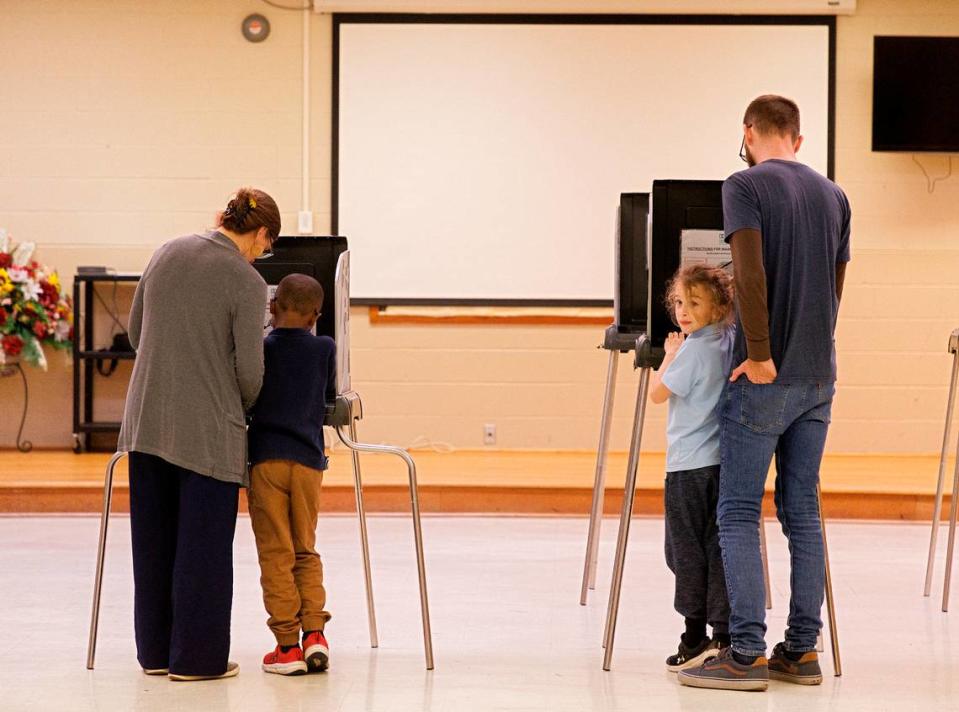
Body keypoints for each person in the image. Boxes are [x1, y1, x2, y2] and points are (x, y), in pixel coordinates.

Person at [679, 95, 850, 692]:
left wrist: (757, 354)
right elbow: (834, 286)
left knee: (736, 511)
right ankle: (801, 650)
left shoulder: (744, 185)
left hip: (766, 375)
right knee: (801, 511)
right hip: (819, 376)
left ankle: (746, 653)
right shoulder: (835, 195)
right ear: (798, 140)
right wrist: (812, 355)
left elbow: (748, 274)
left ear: (749, 133)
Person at [118, 187, 278, 681]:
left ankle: (156, 655)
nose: (261, 255)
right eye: (265, 247)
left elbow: (135, 332)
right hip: (208, 431)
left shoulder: (167, 251)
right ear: (260, 234)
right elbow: (250, 373)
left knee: (153, 543)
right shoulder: (247, 281)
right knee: (203, 550)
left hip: (146, 421)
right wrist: (241, 403)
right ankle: (198, 660)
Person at [247, 273, 336, 676]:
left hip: (267, 461)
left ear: (272, 307)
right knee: (305, 549)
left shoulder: (261, 349)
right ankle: (315, 635)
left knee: (275, 554)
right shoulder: (325, 349)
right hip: (308, 462)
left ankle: (286, 647)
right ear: (316, 315)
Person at [649, 264, 735, 672]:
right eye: (680, 302)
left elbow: (657, 394)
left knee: (683, 551)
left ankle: (692, 637)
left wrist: (669, 355)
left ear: (718, 305)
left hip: (687, 467)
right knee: (716, 549)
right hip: (721, 463)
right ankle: (723, 634)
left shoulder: (693, 349)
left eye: (694, 302)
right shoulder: (728, 340)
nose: (683, 311)